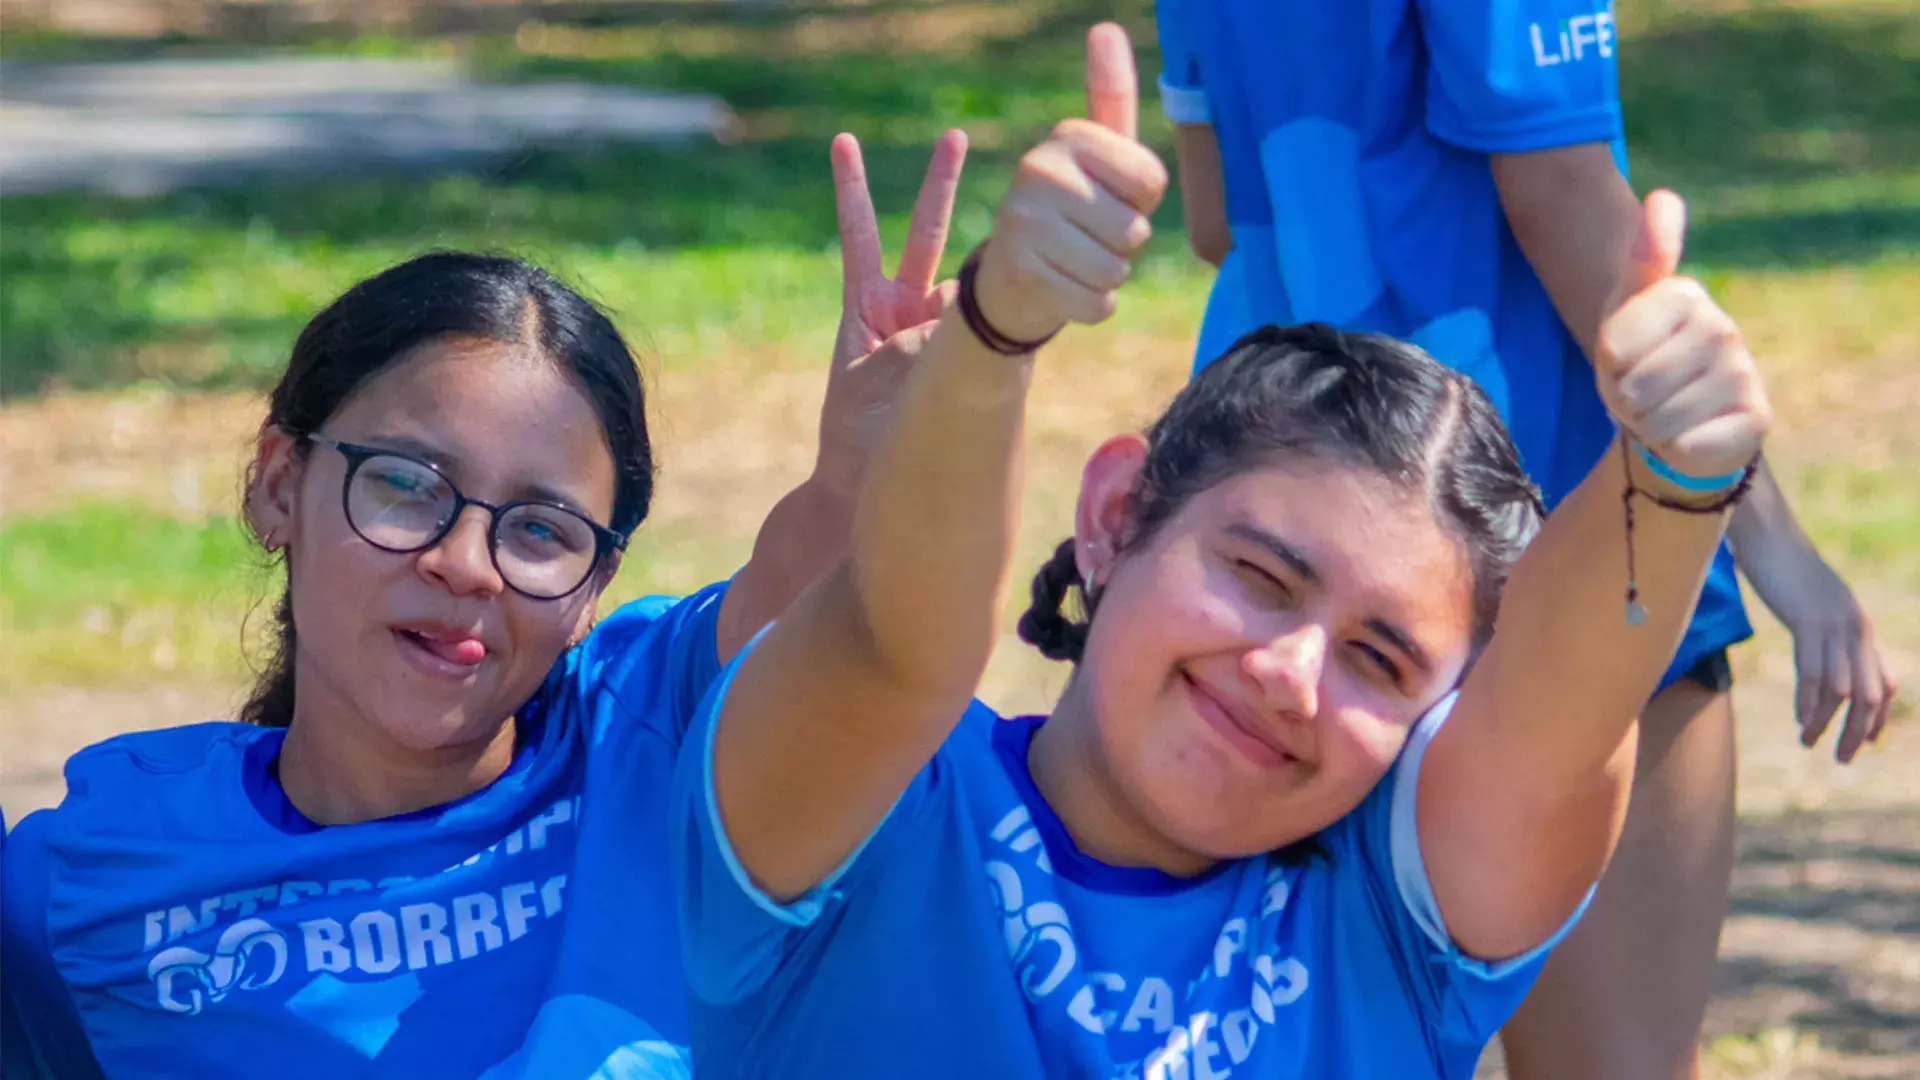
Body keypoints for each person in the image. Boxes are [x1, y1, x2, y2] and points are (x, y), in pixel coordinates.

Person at [670, 24, 1773, 1079]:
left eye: (1379, 661)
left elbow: (1559, 717)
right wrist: (993, 339)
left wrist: (1673, 483)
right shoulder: (866, 803)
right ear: (1114, 518)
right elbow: (895, 639)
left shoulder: (1397, 919)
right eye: (1259, 576)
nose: (1291, 673)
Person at [0, 129, 966, 1079]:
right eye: (407, 485)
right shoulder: (85, 888)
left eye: (542, 531)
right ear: (279, 484)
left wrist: (859, 477)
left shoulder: (647, 735)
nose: (468, 565)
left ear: (595, 587)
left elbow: (806, 614)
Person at [1149, 2, 1897, 1074]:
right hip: (1553, 528)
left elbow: (1218, 215)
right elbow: (1559, 193)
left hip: (1285, 541)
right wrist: (1769, 537)